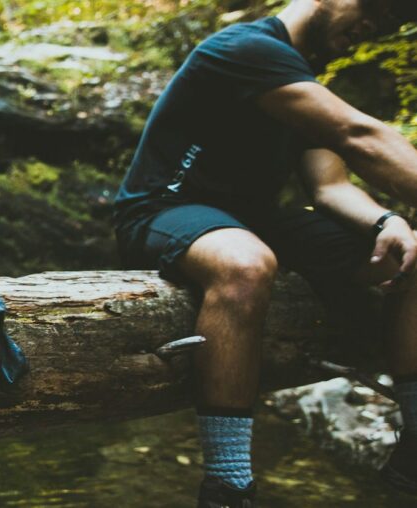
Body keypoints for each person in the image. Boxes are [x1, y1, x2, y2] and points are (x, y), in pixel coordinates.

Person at [112, 0, 417, 505]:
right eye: (374, 6)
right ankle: (228, 485)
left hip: (255, 220)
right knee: (246, 265)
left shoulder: (305, 81)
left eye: (391, 19)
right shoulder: (244, 49)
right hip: (165, 208)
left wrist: (388, 221)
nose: (378, 22)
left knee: (411, 252)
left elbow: (330, 187)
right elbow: (360, 135)